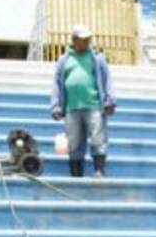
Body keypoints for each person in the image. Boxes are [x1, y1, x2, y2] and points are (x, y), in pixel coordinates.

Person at [50, 24, 116, 178]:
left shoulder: (97, 58)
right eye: (83, 39)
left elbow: (107, 81)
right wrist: (55, 106)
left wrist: (110, 101)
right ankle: (76, 173)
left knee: (97, 139)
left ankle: (99, 170)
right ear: (74, 40)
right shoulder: (64, 60)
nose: (86, 42)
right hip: (72, 107)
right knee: (74, 141)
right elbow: (57, 84)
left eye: (88, 39)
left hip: (93, 105)